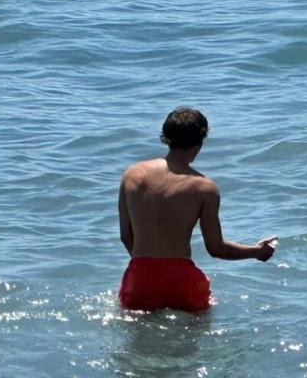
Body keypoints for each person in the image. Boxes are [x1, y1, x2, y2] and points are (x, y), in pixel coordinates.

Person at [117, 107, 276, 312]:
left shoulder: (132, 175)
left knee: (137, 342)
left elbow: (125, 235)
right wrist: (257, 252)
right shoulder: (204, 188)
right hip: (182, 282)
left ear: (165, 137)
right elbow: (216, 248)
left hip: (140, 280)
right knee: (193, 340)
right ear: (200, 141)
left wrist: (149, 270)